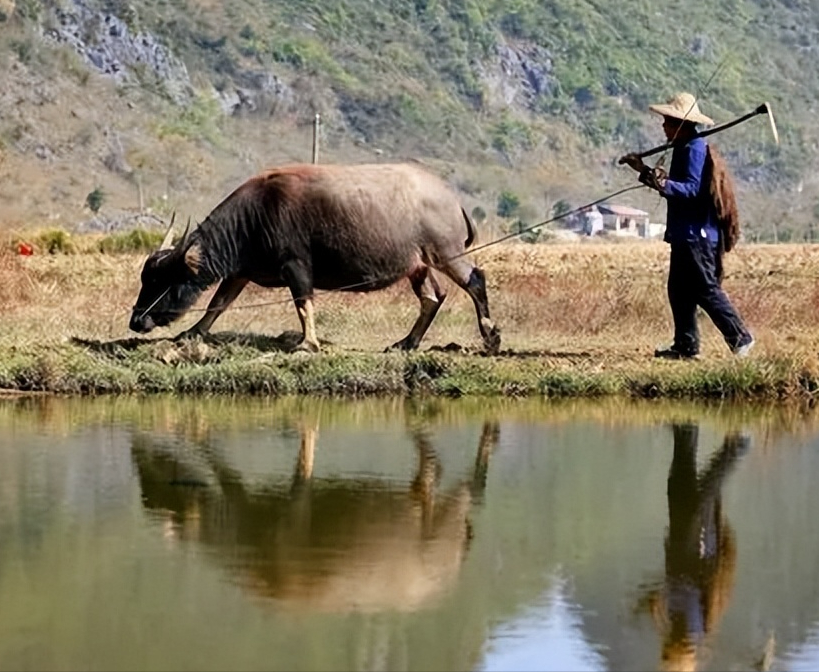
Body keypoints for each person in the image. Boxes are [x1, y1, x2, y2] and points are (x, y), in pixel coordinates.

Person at [620, 92, 754, 360]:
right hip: (684, 233)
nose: (663, 126)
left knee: (705, 288)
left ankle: (741, 339)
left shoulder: (694, 149)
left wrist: (658, 180)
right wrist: (644, 171)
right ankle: (686, 347)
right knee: (679, 290)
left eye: (667, 121)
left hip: (697, 235)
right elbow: (673, 186)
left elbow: (692, 190)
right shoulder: (683, 147)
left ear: (680, 124)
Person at [636, 424, 750, 672]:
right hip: (697, 549)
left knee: (678, 484)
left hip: (677, 544)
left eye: (662, 658)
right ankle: (738, 446)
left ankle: (686, 430)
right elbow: (684, 587)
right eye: (667, 659)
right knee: (702, 496)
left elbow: (672, 586)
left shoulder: (671, 626)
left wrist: (648, 602)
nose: (662, 653)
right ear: (679, 657)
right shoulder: (693, 628)